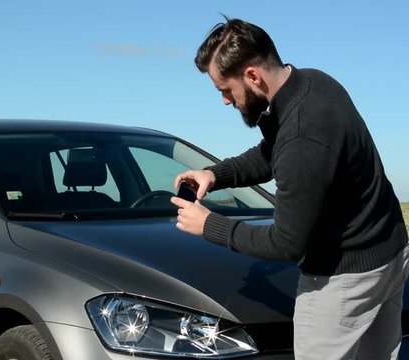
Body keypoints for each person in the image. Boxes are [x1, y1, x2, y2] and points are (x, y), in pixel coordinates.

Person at [170, 17, 409, 359]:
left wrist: (210, 225)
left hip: (343, 278)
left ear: (252, 75)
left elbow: (287, 243)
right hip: (390, 252)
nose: (225, 100)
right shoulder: (315, 83)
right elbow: (274, 150)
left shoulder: (301, 134)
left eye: (225, 89)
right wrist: (216, 174)